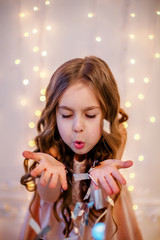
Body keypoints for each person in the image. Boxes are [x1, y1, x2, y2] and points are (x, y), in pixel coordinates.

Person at [19, 56, 143, 240]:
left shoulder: (116, 135)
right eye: (67, 115)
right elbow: (49, 198)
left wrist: (101, 180)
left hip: (103, 217)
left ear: (106, 115)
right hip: (58, 219)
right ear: (55, 114)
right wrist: (50, 178)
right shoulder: (54, 144)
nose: (78, 126)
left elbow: (100, 204)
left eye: (90, 115)